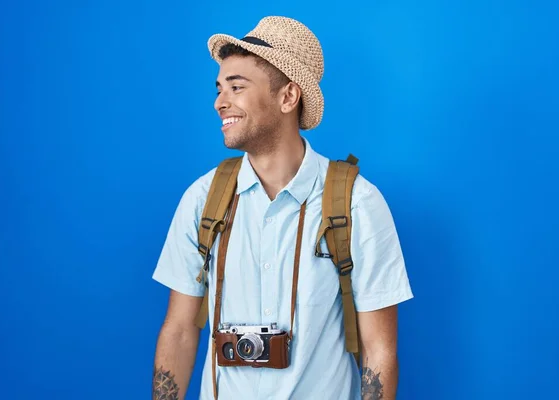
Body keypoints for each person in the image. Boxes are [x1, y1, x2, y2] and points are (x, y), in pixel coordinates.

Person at [151, 16, 413, 400]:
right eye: (220, 88)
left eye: (237, 87)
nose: (220, 102)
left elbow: (380, 350)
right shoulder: (203, 199)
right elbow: (179, 328)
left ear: (288, 97)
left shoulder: (358, 204)